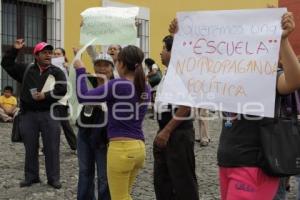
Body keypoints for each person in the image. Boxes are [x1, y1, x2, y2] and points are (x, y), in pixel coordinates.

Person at [169, 11, 300, 200]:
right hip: (228, 162)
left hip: (254, 165)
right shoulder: (228, 76)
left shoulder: (268, 75)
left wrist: (283, 40)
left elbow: (294, 81)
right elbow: (191, 78)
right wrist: (180, 39)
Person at [74, 45, 151, 200]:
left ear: (121, 64)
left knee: (119, 198)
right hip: (139, 148)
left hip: (121, 149)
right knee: (124, 195)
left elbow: (83, 96)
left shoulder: (118, 85)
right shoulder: (145, 87)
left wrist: (80, 70)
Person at [1, 39, 67, 189]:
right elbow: (6, 64)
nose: (48, 55)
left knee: (51, 147)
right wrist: (14, 49)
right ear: (36, 55)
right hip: (28, 115)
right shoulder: (26, 69)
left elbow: (62, 89)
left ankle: (53, 178)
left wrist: (46, 96)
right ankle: (31, 177)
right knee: (30, 147)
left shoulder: (56, 71)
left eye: (50, 53)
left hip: (49, 114)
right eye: (44, 52)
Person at [153, 35, 199, 200]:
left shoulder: (182, 73)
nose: (161, 52)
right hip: (166, 129)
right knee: (163, 180)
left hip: (178, 133)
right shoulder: (169, 72)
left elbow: (186, 106)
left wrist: (167, 131)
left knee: (182, 182)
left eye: (164, 48)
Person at [76, 53, 114, 200]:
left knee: (104, 176)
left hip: (103, 136)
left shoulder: (115, 85)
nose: (102, 68)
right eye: (98, 64)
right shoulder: (89, 80)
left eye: (106, 65)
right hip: (84, 132)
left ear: (112, 68)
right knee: (85, 171)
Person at [53, 47, 77, 152]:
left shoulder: (67, 67)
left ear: (63, 56)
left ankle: (75, 146)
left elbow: (74, 78)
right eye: (54, 54)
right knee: (51, 124)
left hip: (62, 99)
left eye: (58, 54)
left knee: (64, 123)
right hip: (50, 97)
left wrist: (68, 68)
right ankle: (46, 148)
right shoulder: (49, 66)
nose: (55, 55)